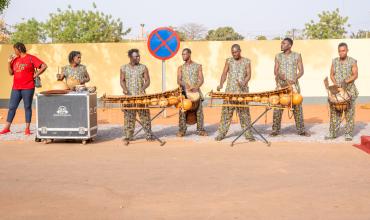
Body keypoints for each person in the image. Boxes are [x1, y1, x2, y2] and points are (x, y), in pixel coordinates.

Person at [0, 42, 47, 135]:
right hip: (16, 88)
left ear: (19, 49)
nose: (14, 51)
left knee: (27, 107)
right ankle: (7, 128)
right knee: (12, 107)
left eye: (15, 49)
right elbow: (11, 73)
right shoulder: (15, 59)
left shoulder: (31, 58)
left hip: (28, 87)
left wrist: (36, 74)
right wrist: (9, 63)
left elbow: (44, 66)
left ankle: (27, 128)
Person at [271, 38, 310, 137]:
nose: (281, 44)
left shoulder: (297, 56)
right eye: (281, 43)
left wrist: (295, 78)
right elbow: (275, 71)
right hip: (281, 86)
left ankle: (301, 130)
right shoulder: (278, 56)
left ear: (289, 45)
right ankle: (275, 130)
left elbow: (301, 71)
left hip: (293, 86)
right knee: (277, 107)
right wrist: (280, 75)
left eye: (284, 43)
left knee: (297, 107)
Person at [215, 44, 254, 141]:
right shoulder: (229, 61)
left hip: (242, 92)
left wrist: (244, 82)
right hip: (230, 92)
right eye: (232, 52)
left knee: (244, 113)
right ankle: (221, 134)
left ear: (240, 51)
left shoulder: (246, 61)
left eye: (236, 52)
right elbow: (224, 73)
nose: (234, 54)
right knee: (226, 113)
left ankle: (248, 134)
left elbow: (249, 75)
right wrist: (221, 84)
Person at [120, 49, 154, 144]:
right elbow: (122, 80)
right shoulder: (123, 68)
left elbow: (147, 80)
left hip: (141, 97)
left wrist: (143, 88)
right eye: (136, 56)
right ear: (130, 57)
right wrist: (125, 89)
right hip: (129, 97)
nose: (138, 58)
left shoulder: (143, 67)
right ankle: (128, 136)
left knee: (145, 116)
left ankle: (148, 134)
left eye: (139, 56)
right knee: (129, 117)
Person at [326, 43, 358, 141]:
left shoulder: (352, 61)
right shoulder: (334, 61)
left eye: (343, 50)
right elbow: (331, 74)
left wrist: (345, 81)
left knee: (349, 113)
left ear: (347, 50)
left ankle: (348, 133)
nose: (341, 53)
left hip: (349, 91)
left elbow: (355, 75)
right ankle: (333, 132)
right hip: (337, 91)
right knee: (335, 112)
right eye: (340, 51)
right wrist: (335, 84)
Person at [176, 48, 208, 137]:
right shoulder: (180, 68)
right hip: (184, 93)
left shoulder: (198, 66)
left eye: (184, 54)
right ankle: (182, 130)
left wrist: (196, 87)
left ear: (189, 54)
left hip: (196, 92)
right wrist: (184, 84)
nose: (183, 56)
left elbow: (201, 79)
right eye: (182, 54)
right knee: (183, 111)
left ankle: (200, 129)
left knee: (199, 112)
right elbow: (178, 80)